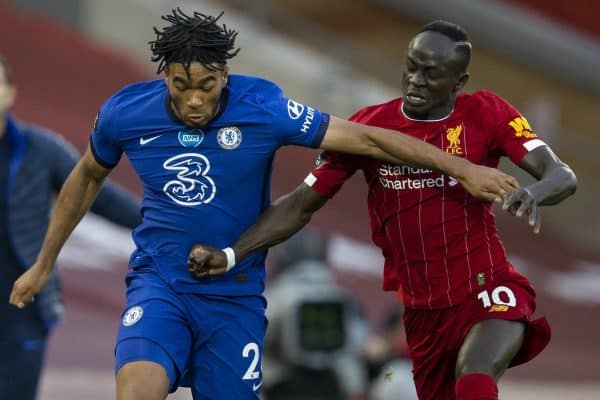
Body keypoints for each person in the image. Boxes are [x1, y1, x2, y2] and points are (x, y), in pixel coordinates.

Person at [8, 10, 517, 400]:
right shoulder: (125, 112)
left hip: (234, 298)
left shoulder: (265, 107)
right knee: (137, 388)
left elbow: (371, 140)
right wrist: (44, 263)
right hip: (160, 285)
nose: (192, 101)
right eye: (180, 86)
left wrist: (463, 168)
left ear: (224, 75)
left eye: (205, 87)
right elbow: (85, 177)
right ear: (163, 74)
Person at [186, 20, 578, 400]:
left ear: (458, 83)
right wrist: (232, 253)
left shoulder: (487, 113)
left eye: (432, 73)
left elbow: (561, 175)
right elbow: (301, 203)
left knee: (474, 374)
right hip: (423, 314)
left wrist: (534, 193)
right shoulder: (369, 129)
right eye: (412, 66)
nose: (416, 80)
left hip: (488, 285)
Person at [0, 56, 141, 400]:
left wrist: (164, 222)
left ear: (10, 92)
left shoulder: (40, 149)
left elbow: (98, 194)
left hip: (23, 309)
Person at [262, 227, 372, 400]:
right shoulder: (344, 297)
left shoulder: (276, 296)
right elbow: (359, 344)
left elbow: (257, 334)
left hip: (282, 387)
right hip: (332, 388)